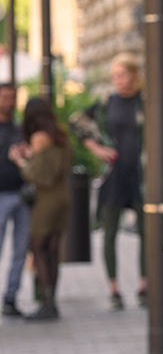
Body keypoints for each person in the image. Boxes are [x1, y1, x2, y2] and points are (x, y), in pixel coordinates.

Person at [73, 53, 147, 310]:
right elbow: (77, 122)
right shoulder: (107, 102)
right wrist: (96, 148)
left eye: (122, 75)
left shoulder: (145, 102)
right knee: (110, 233)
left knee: (147, 233)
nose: (118, 80)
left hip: (141, 176)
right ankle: (114, 288)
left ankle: (144, 285)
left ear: (135, 75)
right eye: (115, 75)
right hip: (113, 175)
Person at [10, 98, 72, 322]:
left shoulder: (39, 137)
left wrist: (19, 160)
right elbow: (53, 166)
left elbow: (37, 175)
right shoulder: (60, 135)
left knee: (38, 247)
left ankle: (47, 304)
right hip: (63, 196)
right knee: (53, 250)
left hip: (46, 200)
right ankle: (51, 300)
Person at [0, 82, 29, 317]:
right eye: (5, 97)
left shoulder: (21, 129)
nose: (9, 101)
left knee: (20, 250)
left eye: (12, 97)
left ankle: (11, 297)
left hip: (21, 194)